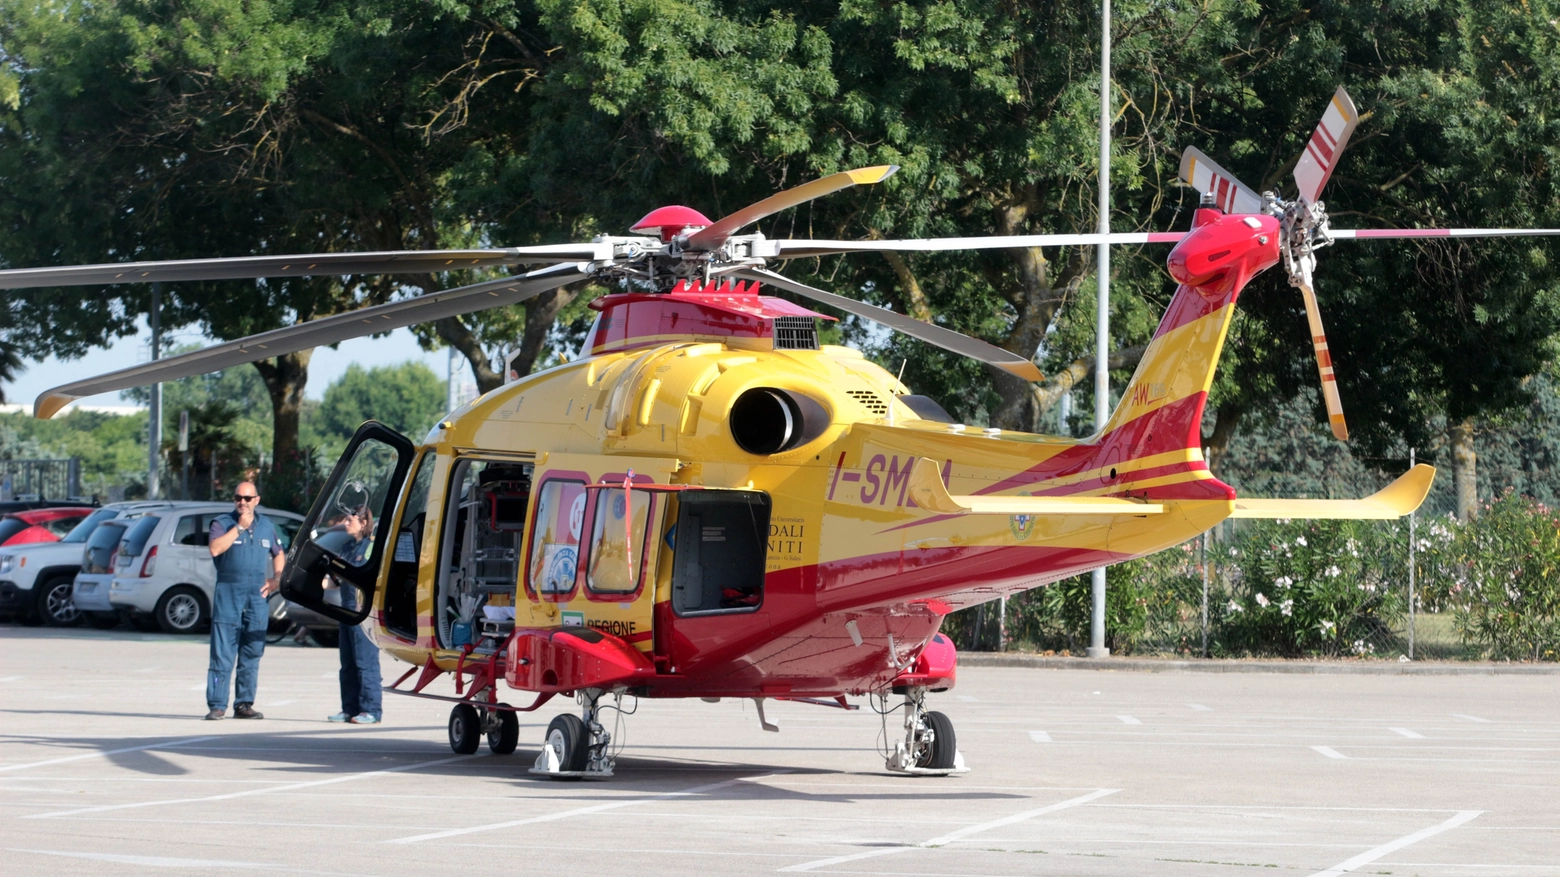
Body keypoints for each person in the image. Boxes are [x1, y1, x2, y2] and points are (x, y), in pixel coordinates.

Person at [205, 481, 285, 720]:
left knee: (252, 651)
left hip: (256, 596)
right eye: (238, 497)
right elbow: (215, 549)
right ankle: (217, 705)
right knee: (222, 653)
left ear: (256, 500)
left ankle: (244, 704)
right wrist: (239, 528)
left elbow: (279, 553)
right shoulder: (222, 523)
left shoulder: (267, 526)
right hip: (229, 594)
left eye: (248, 498)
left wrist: (276, 579)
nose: (242, 502)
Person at [328, 508, 382, 724]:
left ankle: (371, 710)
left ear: (363, 522)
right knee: (348, 663)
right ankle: (349, 709)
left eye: (350, 519)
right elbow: (335, 581)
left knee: (365, 661)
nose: (345, 522)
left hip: (363, 612)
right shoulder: (346, 547)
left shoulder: (371, 547)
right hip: (346, 610)